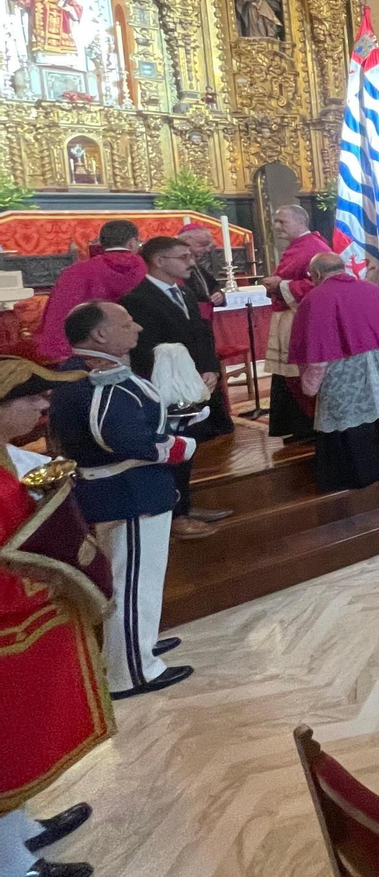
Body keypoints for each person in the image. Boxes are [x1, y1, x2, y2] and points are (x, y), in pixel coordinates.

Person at [51, 302, 197, 699]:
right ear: (99, 335)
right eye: (126, 322)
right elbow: (124, 438)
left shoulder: (85, 373)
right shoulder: (98, 380)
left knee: (137, 580)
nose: (138, 326)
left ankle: (137, 645)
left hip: (128, 489)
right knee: (133, 583)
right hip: (128, 492)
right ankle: (132, 671)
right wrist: (181, 445)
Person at [0, 359, 105, 877]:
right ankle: (13, 866)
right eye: (31, 399)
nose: (44, 407)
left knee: (15, 738)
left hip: (18, 616)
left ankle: (22, 829)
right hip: (5, 619)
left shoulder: (8, 456)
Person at [120, 237, 234, 539]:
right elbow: (147, 350)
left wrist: (208, 368)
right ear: (159, 261)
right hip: (163, 388)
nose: (191, 262)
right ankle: (174, 516)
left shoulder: (182, 291)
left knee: (187, 445)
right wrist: (185, 376)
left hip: (191, 383)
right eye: (183, 257)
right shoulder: (137, 299)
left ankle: (184, 503)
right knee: (170, 448)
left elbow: (201, 334)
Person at [285, 253, 379, 492]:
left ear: (316, 275)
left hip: (345, 377)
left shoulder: (315, 300)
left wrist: (309, 386)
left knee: (347, 418)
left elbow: (317, 354)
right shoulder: (372, 290)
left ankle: (353, 476)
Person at [261, 204, 331, 441]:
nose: (277, 226)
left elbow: (321, 286)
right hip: (287, 316)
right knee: (287, 374)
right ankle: (296, 426)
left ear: (301, 222)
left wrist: (280, 285)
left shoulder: (314, 247)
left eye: (283, 222)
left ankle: (309, 426)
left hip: (298, 319)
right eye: (276, 221)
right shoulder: (299, 245)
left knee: (298, 372)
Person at [34, 220, 146, 363]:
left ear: (101, 243)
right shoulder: (151, 269)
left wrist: (61, 355)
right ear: (132, 242)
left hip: (92, 351)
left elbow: (60, 313)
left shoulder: (76, 272)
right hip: (145, 348)